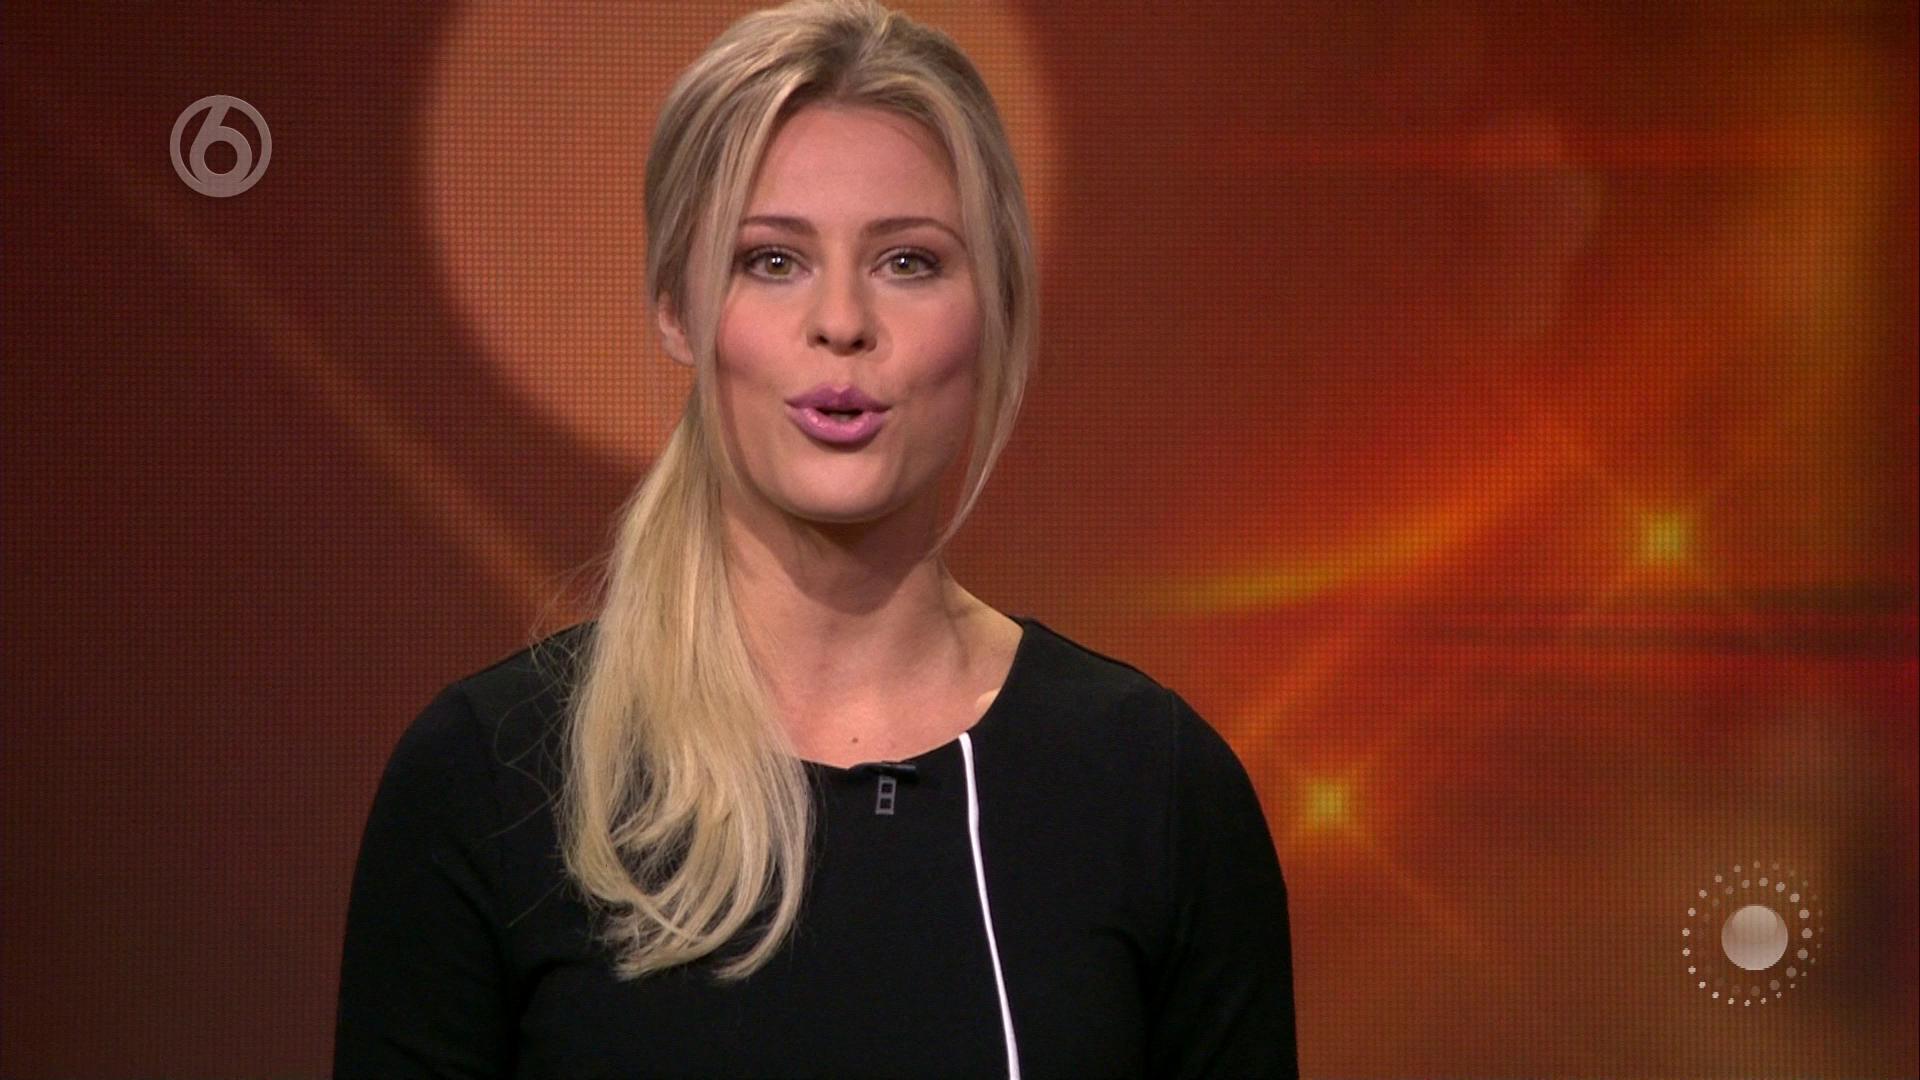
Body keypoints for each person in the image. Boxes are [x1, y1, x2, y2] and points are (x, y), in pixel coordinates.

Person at [333, 1, 1298, 1076]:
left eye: (908, 261)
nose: (841, 321)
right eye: (773, 260)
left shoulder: (1149, 787)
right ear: (678, 306)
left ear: (995, 308)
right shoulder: (493, 777)